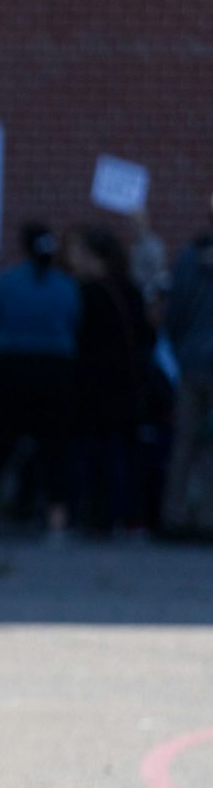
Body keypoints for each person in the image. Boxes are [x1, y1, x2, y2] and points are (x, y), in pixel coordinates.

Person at [0, 223, 81, 544]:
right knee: (54, 448)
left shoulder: (6, 283)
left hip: (11, 367)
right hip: (55, 369)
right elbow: (74, 324)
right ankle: (58, 523)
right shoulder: (66, 286)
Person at [68, 226, 157, 535]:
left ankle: (88, 513)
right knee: (119, 452)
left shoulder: (85, 293)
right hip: (126, 385)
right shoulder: (128, 290)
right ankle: (120, 515)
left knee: (87, 451)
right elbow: (147, 336)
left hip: (91, 385)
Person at [165, 196, 213, 534]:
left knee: (183, 442)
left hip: (192, 361)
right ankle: (208, 516)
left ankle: (176, 515)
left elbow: (174, 314)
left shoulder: (187, 258)